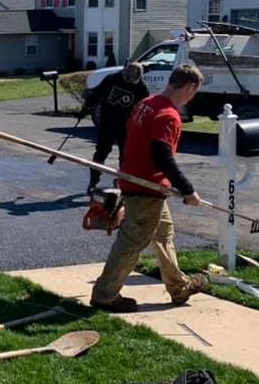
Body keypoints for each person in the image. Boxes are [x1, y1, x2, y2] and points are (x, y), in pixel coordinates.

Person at [90, 64, 210, 312]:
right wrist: (188, 190)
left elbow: (132, 141)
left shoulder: (146, 103)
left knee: (164, 235)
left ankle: (179, 288)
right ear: (188, 87)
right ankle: (105, 295)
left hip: (142, 183)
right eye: (194, 92)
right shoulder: (167, 115)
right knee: (131, 243)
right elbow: (162, 157)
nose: (192, 97)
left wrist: (126, 170)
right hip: (146, 189)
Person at [84, 61, 149, 194]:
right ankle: (94, 181)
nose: (130, 82)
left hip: (126, 127)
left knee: (125, 156)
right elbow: (97, 93)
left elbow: (143, 109)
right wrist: (87, 106)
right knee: (101, 152)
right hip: (107, 122)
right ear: (124, 73)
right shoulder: (112, 79)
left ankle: (121, 181)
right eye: (128, 79)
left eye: (133, 80)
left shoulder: (142, 88)